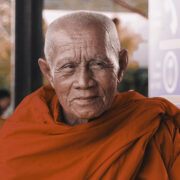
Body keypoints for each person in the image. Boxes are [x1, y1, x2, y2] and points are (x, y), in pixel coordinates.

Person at [0, 11, 179, 179]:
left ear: (121, 66)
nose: (84, 82)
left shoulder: (157, 128)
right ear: (48, 73)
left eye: (98, 64)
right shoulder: (21, 138)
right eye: (68, 67)